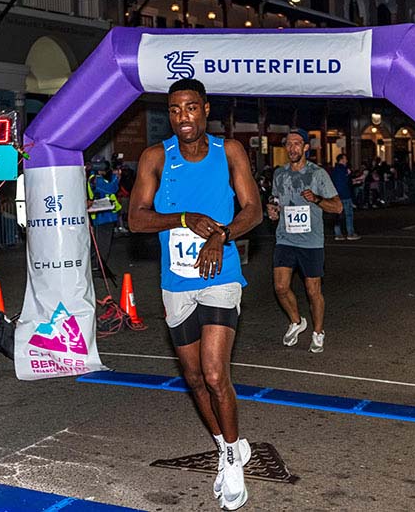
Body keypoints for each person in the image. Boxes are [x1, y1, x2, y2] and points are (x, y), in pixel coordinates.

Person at [129, 78, 262, 510]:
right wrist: (184, 218)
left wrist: (221, 235)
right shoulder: (155, 157)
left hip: (221, 275)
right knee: (193, 378)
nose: (182, 117)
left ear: (205, 109)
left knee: (215, 374)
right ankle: (227, 444)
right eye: (174, 109)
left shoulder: (230, 151)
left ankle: (232, 461)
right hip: (176, 282)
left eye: (190, 107)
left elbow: (254, 210)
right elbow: (136, 219)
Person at [267, 128, 342, 354]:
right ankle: (296, 321)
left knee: (312, 291)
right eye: (288, 144)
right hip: (285, 238)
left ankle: (318, 332)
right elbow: (275, 200)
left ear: (306, 147)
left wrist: (317, 199)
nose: (292, 148)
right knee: (280, 287)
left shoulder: (318, 174)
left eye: (297, 144)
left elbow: (337, 207)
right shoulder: (279, 174)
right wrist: (273, 210)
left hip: (311, 242)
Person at [87, 160, 120, 273]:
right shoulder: (96, 180)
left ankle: (96, 265)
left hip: (104, 214)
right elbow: (111, 189)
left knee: (98, 243)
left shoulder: (95, 178)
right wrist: (116, 177)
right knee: (102, 244)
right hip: (102, 215)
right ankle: (98, 266)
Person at [331, 154, 360, 241]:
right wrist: (353, 181)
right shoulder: (345, 170)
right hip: (345, 194)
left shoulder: (334, 170)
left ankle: (338, 234)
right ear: (342, 160)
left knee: (338, 215)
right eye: (345, 159)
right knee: (349, 215)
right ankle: (350, 233)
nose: (346, 161)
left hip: (336, 195)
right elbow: (347, 182)